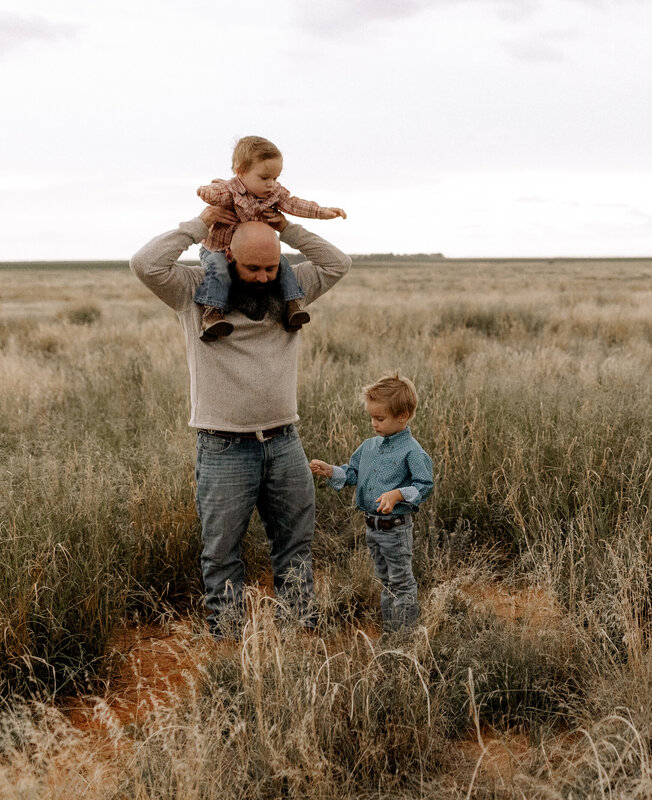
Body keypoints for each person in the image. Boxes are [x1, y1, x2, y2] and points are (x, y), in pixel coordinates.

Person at [130, 206, 352, 636]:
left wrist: (286, 227)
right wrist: (200, 223)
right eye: (253, 267)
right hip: (223, 448)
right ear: (229, 257)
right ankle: (229, 642)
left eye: (272, 267)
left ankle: (296, 635)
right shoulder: (193, 290)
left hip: (285, 442)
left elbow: (337, 263)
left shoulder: (291, 291)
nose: (264, 277)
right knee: (222, 553)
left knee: (295, 548)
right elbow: (145, 263)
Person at [309, 373, 434, 633]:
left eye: (380, 418)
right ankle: (391, 630)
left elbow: (424, 485)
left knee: (401, 582)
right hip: (373, 529)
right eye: (371, 418)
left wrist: (398, 494)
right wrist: (332, 471)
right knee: (385, 580)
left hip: (396, 529)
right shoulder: (368, 446)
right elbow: (353, 472)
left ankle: (405, 635)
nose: (374, 424)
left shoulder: (412, 450)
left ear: (403, 416)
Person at [194, 135, 347, 341]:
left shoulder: (273, 193)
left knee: (282, 263)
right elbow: (215, 193)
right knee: (217, 269)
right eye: (264, 178)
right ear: (240, 172)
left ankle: (292, 304)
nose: (271, 184)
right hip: (218, 249)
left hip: (258, 251)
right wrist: (206, 195)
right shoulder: (230, 190)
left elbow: (295, 205)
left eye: (275, 178)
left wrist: (323, 212)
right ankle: (212, 314)